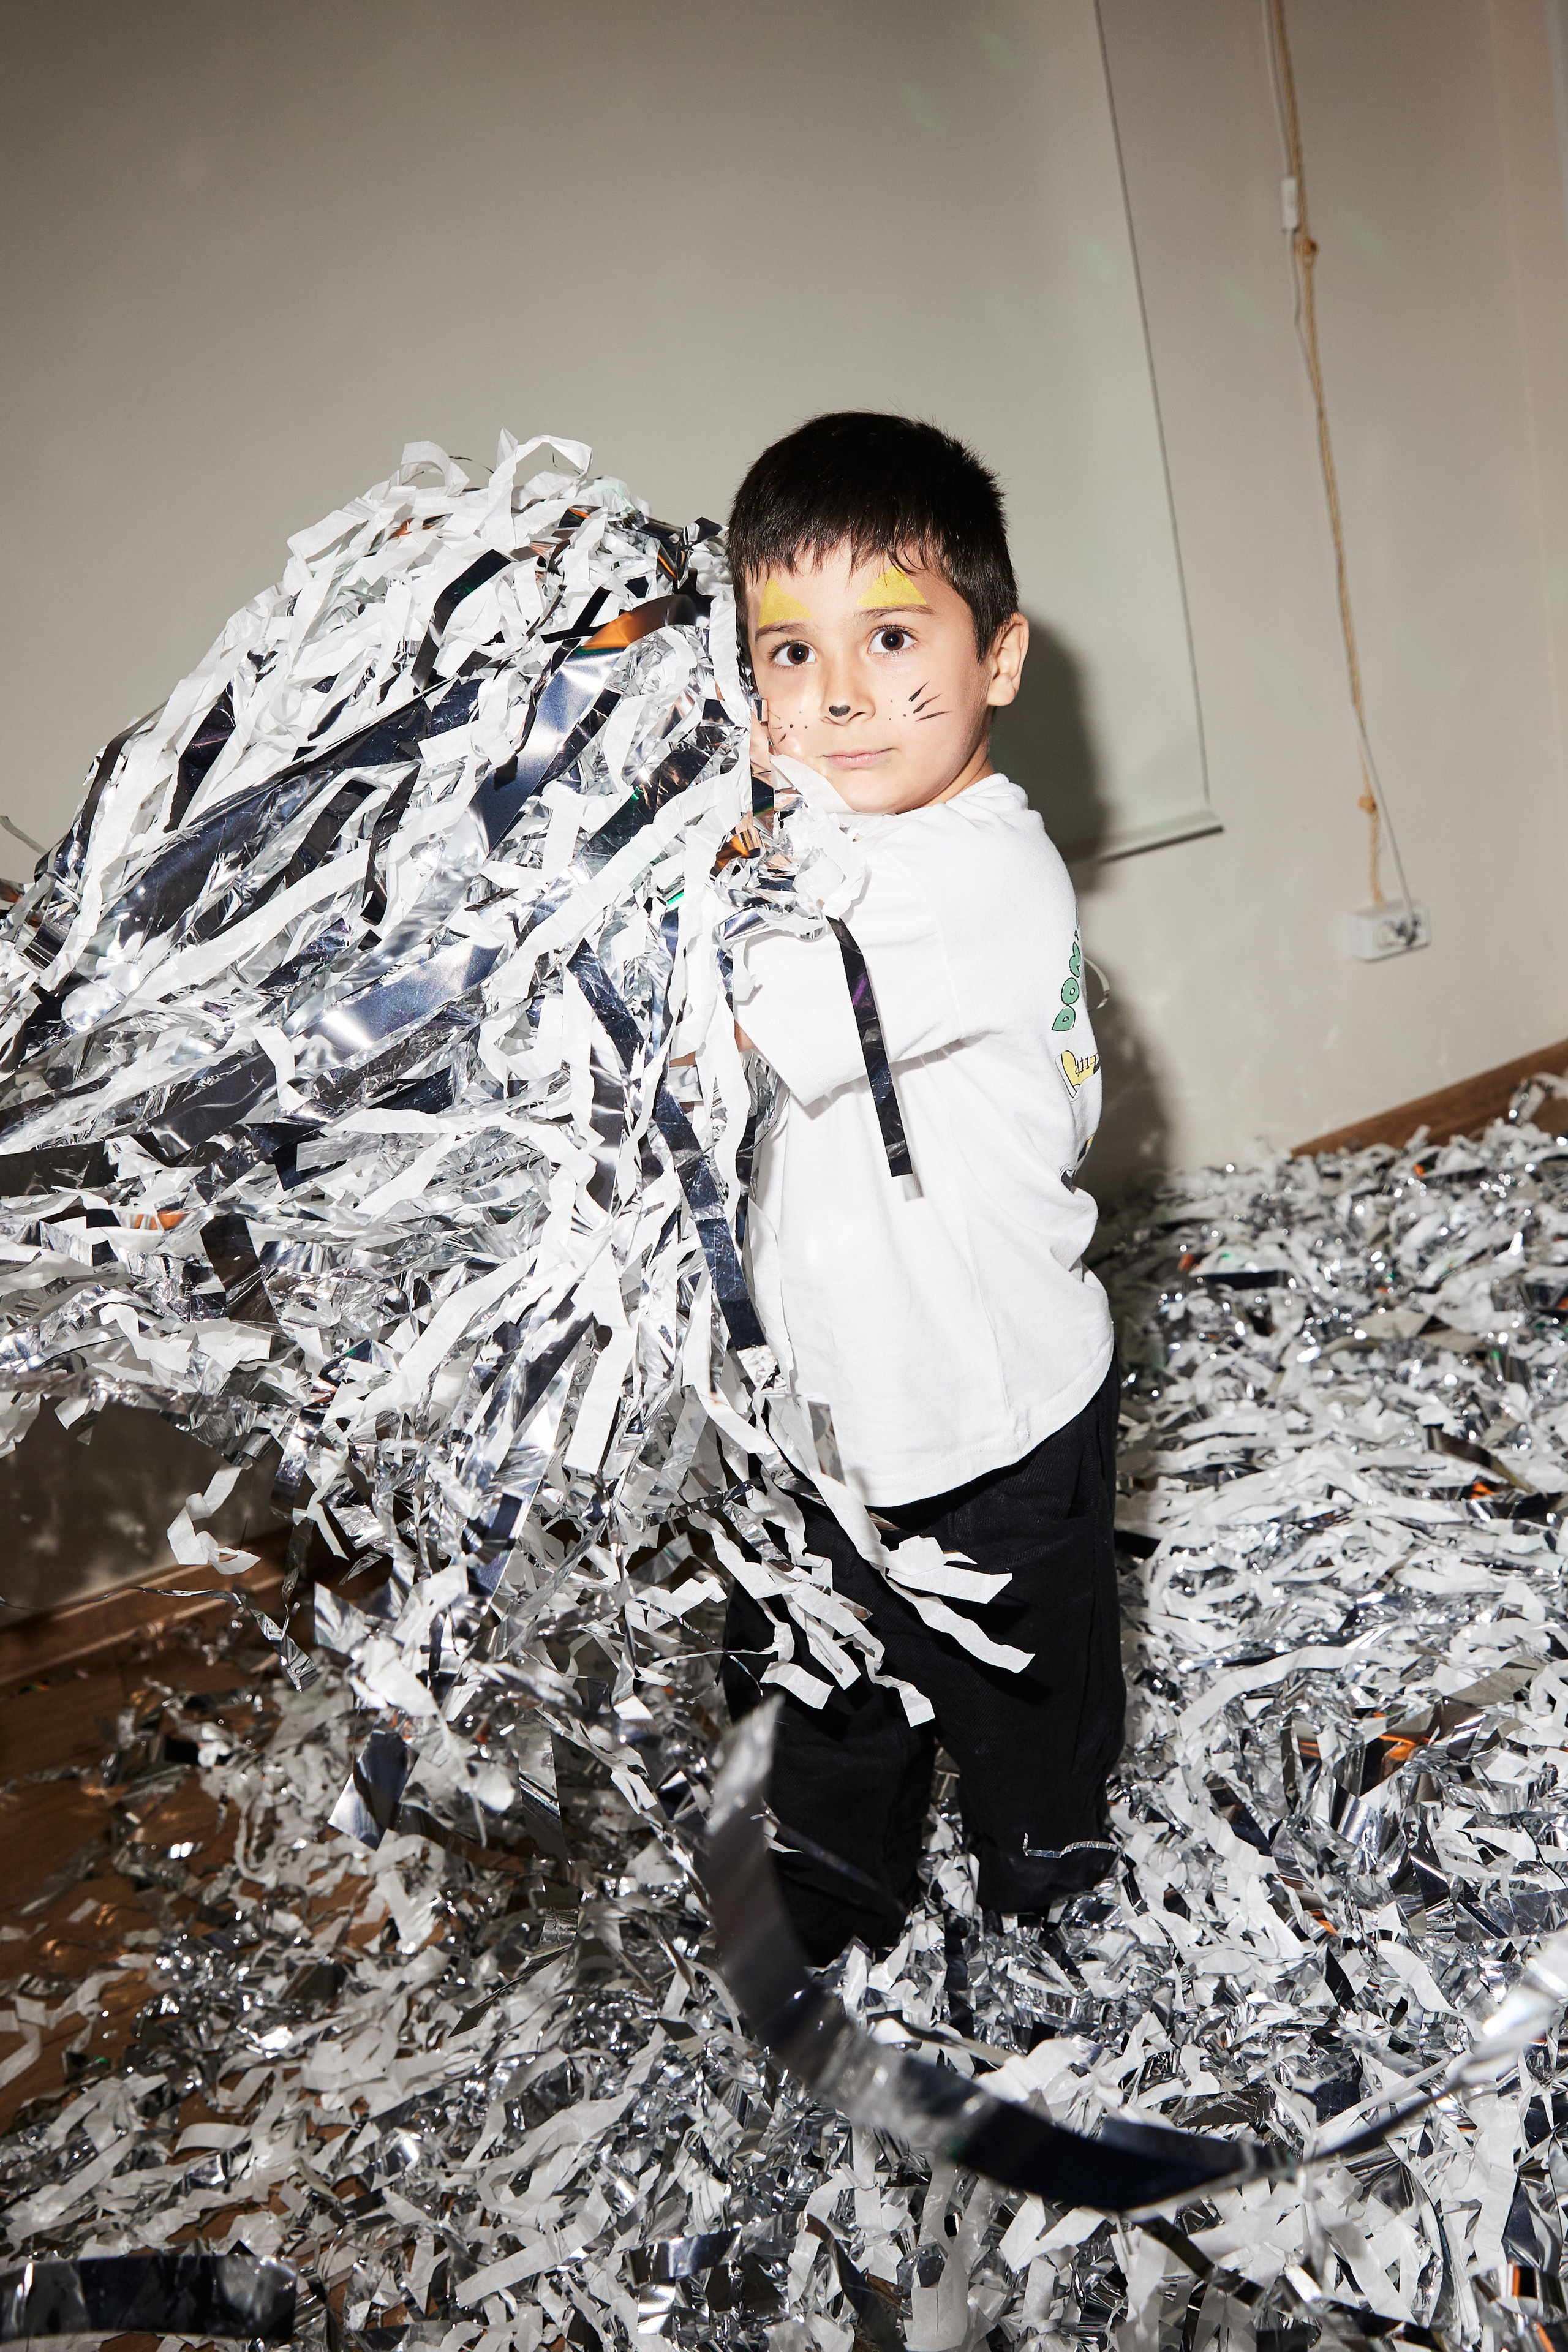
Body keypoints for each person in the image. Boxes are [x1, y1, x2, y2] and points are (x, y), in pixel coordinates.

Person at [715, 411, 1124, 1967]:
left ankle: (1048, 1897)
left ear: (997, 658)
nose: (837, 697)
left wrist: (738, 817)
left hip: (995, 1416)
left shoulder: (976, 868)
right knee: (821, 1690)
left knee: (1026, 1701)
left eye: (890, 636)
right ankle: (836, 1916)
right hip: (820, 1420)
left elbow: (798, 1012)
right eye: (786, 654)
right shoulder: (808, 845)